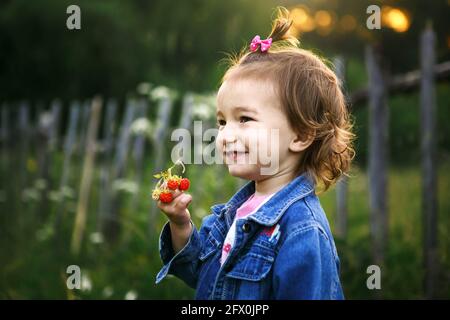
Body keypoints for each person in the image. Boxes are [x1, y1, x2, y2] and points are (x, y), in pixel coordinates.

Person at [155, 7, 354, 299]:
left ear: (301, 135)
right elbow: (199, 273)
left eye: (244, 119)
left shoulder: (302, 231)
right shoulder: (236, 212)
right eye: (222, 121)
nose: (226, 134)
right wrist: (181, 224)